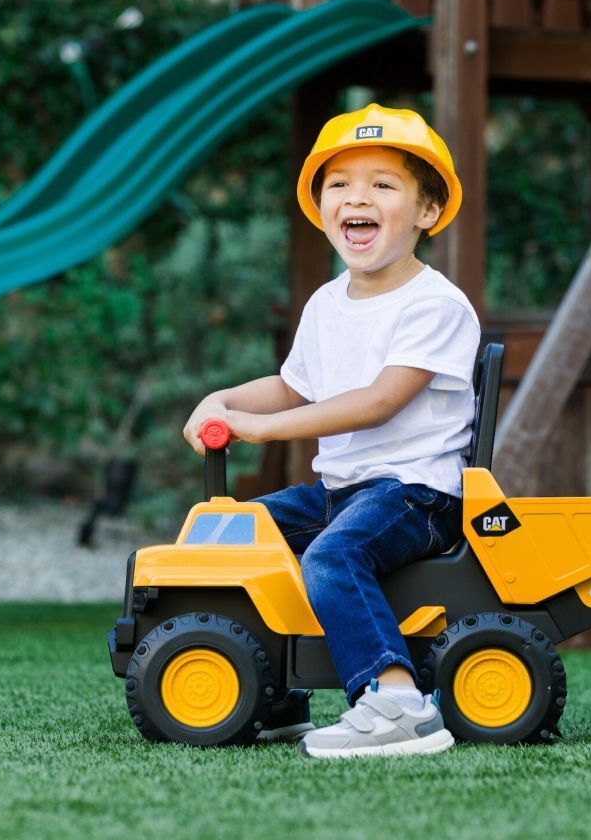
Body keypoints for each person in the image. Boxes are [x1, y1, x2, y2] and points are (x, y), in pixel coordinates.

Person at [182, 103, 480, 758]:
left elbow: (378, 402)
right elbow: (295, 386)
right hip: (343, 491)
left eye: (382, 184)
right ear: (320, 208)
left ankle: (397, 699)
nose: (356, 198)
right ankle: (273, 693)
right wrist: (222, 398)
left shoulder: (434, 304)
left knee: (332, 555)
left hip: (415, 494)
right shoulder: (327, 301)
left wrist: (260, 428)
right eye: (338, 184)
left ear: (427, 212)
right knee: (238, 539)